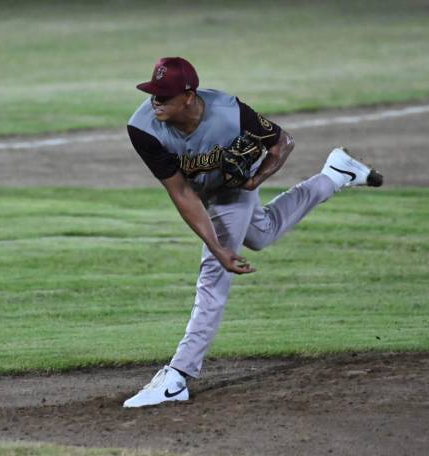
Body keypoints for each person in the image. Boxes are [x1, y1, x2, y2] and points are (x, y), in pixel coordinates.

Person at [123, 57, 382, 408]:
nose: (156, 102)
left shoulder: (230, 112)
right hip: (201, 192)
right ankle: (336, 175)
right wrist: (216, 246)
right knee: (261, 234)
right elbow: (182, 193)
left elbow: (282, 143)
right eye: (153, 93)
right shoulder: (143, 128)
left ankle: (178, 376)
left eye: (164, 97)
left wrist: (254, 180)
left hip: (232, 190)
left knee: (213, 276)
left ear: (188, 96)